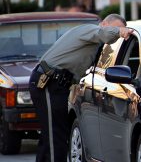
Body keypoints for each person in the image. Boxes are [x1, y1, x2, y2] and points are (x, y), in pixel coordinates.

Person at [29, 14, 133, 162]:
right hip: (48, 82)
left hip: (56, 84)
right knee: (55, 138)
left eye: (118, 30)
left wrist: (75, 85)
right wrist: (120, 32)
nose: (115, 32)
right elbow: (103, 34)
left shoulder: (93, 44)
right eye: (114, 27)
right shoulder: (90, 30)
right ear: (104, 23)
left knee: (52, 136)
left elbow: (76, 64)